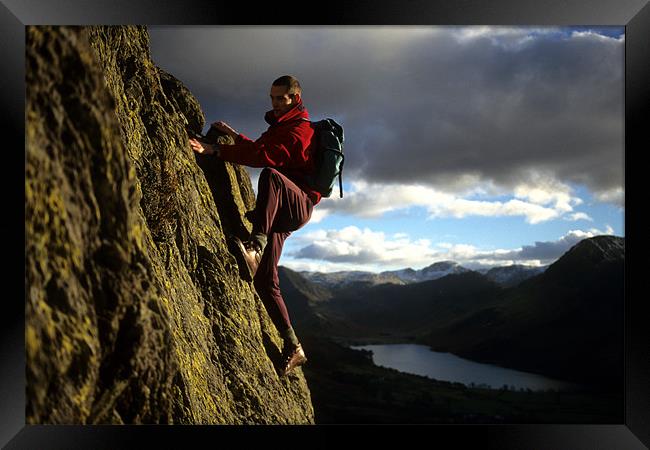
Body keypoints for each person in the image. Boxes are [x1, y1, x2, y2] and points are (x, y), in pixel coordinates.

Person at [189, 75, 320, 377]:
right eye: (272, 97)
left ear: (294, 98)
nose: (274, 103)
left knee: (272, 176)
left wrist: (215, 151)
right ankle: (294, 346)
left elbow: (265, 158)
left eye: (280, 99)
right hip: (285, 207)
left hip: (297, 205)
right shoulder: (282, 126)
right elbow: (260, 147)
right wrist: (234, 136)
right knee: (264, 280)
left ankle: (254, 245)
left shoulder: (299, 130)